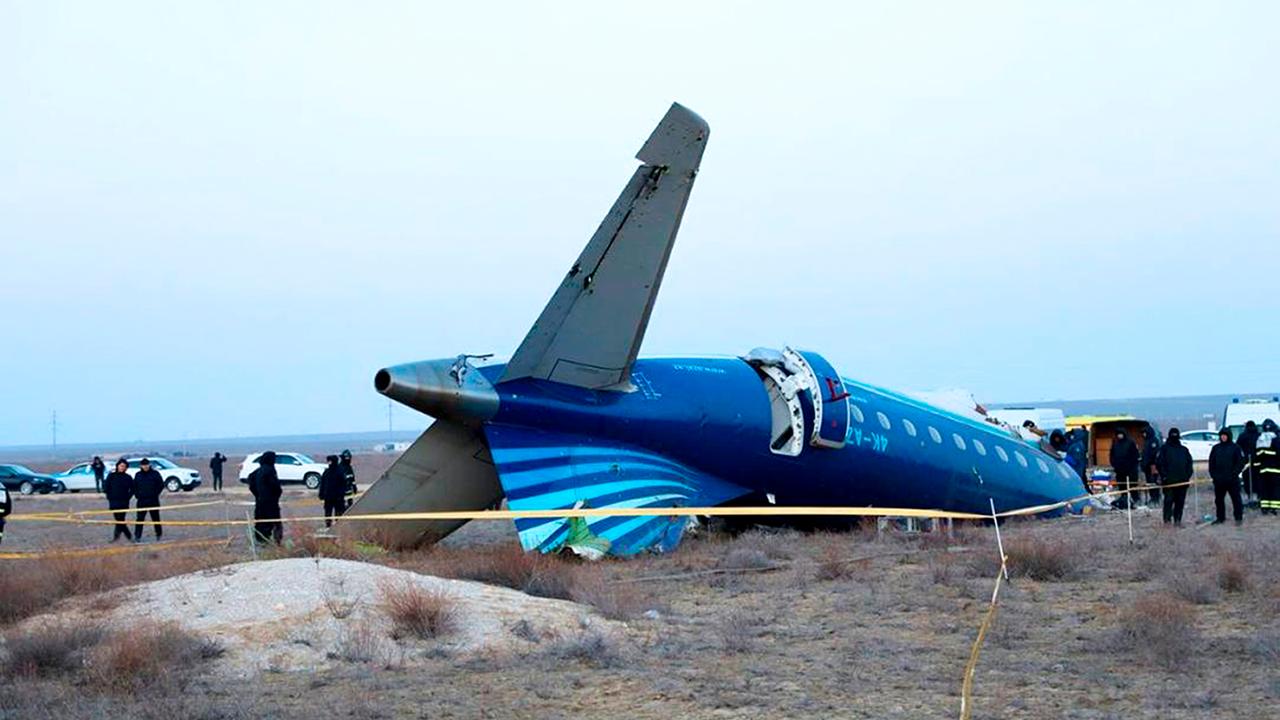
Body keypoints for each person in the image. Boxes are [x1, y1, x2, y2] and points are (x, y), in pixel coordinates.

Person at [1156, 428, 1194, 526]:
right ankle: (1167, 521)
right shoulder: (1164, 449)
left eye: (1175, 435)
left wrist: (1187, 476)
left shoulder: (1184, 450)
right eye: (1172, 435)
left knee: (1180, 502)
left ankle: (1178, 520)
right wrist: (1164, 476)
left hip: (1182, 482)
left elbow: (1189, 464)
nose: (1174, 437)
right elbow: (1160, 464)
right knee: (1168, 501)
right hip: (1169, 482)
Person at [1208, 428, 1245, 525]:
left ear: (1229, 436)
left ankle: (1238, 518)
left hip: (1232, 480)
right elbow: (1211, 463)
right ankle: (1220, 518)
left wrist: (1234, 473)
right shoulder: (1216, 448)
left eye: (1225, 435)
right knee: (1219, 500)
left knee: (1236, 499)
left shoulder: (1235, 448)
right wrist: (1214, 476)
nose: (1223, 437)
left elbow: (1240, 463)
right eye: (1222, 435)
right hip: (1219, 480)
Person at [247, 451, 283, 544]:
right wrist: (276, 495)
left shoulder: (259, 470)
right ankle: (276, 542)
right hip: (270, 502)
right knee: (275, 522)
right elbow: (275, 486)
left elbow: (250, 480)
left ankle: (261, 540)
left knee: (261, 522)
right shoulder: (270, 470)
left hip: (260, 502)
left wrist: (257, 494)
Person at [132, 458, 164, 541]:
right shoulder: (138, 475)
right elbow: (134, 486)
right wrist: (137, 495)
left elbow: (161, 485)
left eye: (146, 465)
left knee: (155, 518)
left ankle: (158, 534)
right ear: (141, 466)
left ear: (149, 465)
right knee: (140, 519)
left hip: (153, 500)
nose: (145, 466)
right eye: (143, 465)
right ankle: (137, 536)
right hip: (141, 501)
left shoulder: (155, 474)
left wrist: (155, 494)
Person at [103, 458, 134, 542]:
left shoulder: (128, 477)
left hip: (124, 502)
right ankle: (126, 536)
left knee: (120, 520)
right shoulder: (111, 476)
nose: (122, 468)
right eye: (121, 466)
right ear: (117, 466)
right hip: (114, 502)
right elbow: (106, 487)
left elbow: (133, 489)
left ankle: (120, 537)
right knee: (119, 520)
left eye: (124, 466)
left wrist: (128, 497)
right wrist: (109, 496)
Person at [1109, 428, 1140, 509]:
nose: (1119, 436)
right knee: (1122, 486)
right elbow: (1111, 455)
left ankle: (1135, 501)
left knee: (1132, 486)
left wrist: (1132, 466)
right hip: (1119, 470)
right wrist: (1114, 464)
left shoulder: (1130, 443)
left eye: (1121, 434)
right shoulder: (1115, 443)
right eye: (1118, 434)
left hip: (1130, 470)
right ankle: (1124, 501)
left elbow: (1135, 455)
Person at [1254, 435, 1280, 516]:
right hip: (1275, 470)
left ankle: (1265, 508)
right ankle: (1274, 508)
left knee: (1264, 489)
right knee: (1274, 489)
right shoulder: (1276, 439)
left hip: (1263, 469)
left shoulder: (1260, 439)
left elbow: (1257, 456)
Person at [319, 455, 346, 528]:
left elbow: (343, 484)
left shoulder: (340, 471)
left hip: (338, 498)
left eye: (330, 461)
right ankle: (328, 525)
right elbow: (323, 484)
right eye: (328, 461)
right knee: (328, 512)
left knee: (338, 512)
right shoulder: (326, 472)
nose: (329, 463)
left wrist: (341, 495)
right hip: (328, 497)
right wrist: (321, 494)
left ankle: (338, 526)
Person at [1237, 420, 1260, 500]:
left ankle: (1248, 495)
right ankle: (1257, 496)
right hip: (1258, 462)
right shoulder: (1259, 435)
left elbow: (1238, 448)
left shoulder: (1242, 436)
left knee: (1247, 480)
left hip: (1246, 462)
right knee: (1257, 479)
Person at [1141, 426, 1163, 507]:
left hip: (1153, 466)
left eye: (1145, 433)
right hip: (1147, 466)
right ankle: (1152, 497)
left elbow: (1154, 454)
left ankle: (1155, 498)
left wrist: (1153, 463)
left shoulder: (1154, 441)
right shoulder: (1146, 442)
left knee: (1154, 482)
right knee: (1149, 483)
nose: (1143, 435)